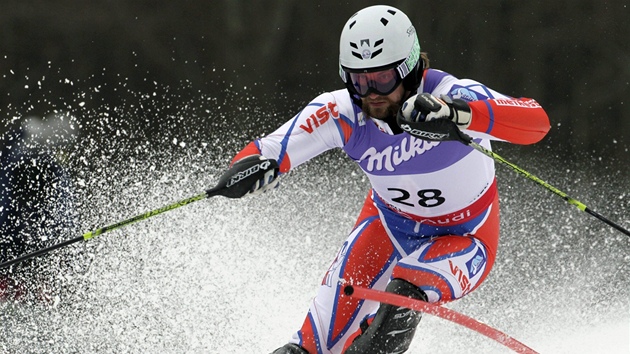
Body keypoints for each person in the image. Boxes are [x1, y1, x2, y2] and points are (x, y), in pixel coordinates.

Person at [224, 5, 550, 353]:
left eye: (382, 78)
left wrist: (459, 115)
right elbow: (272, 147)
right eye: (358, 80)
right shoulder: (345, 112)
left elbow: (536, 122)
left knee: (398, 303)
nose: (371, 93)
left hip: (466, 237)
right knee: (307, 347)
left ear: (410, 69)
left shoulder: (452, 94)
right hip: (388, 229)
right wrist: (251, 167)